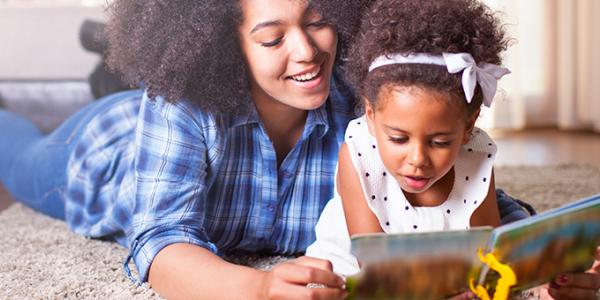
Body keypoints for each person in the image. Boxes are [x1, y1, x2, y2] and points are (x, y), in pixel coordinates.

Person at [0, 0, 588, 299]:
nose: (307, 51)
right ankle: (86, 86)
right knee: (15, 148)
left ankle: (100, 65)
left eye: (318, 21)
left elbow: (465, 193)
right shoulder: (181, 103)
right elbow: (158, 239)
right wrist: (256, 288)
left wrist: (553, 259)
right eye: (272, 36)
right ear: (225, 44)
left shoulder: (369, 101)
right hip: (108, 149)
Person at [305, 0, 600, 299]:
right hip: (363, 270)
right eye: (398, 139)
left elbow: (489, 251)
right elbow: (375, 267)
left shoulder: (476, 155)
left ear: (468, 126)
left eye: (440, 142)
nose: (417, 160)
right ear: (370, 115)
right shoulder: (356, 154)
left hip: (452, 268)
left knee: (523, 256)